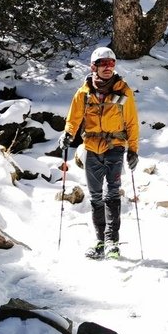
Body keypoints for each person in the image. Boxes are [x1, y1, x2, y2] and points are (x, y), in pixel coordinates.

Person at [62, 46, 140, 259]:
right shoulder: (84, 94)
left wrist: (133, 150)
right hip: (91, 149)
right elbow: (73, 119)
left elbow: (132, 122)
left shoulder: (123, 92)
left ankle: (111, 243)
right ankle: (99, 241)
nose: (108, 67)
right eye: (103, 64)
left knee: (112, 193)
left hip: (115, 147)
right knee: (96, 196)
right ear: (93, 67)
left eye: (111, 63)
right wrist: (68, 134)